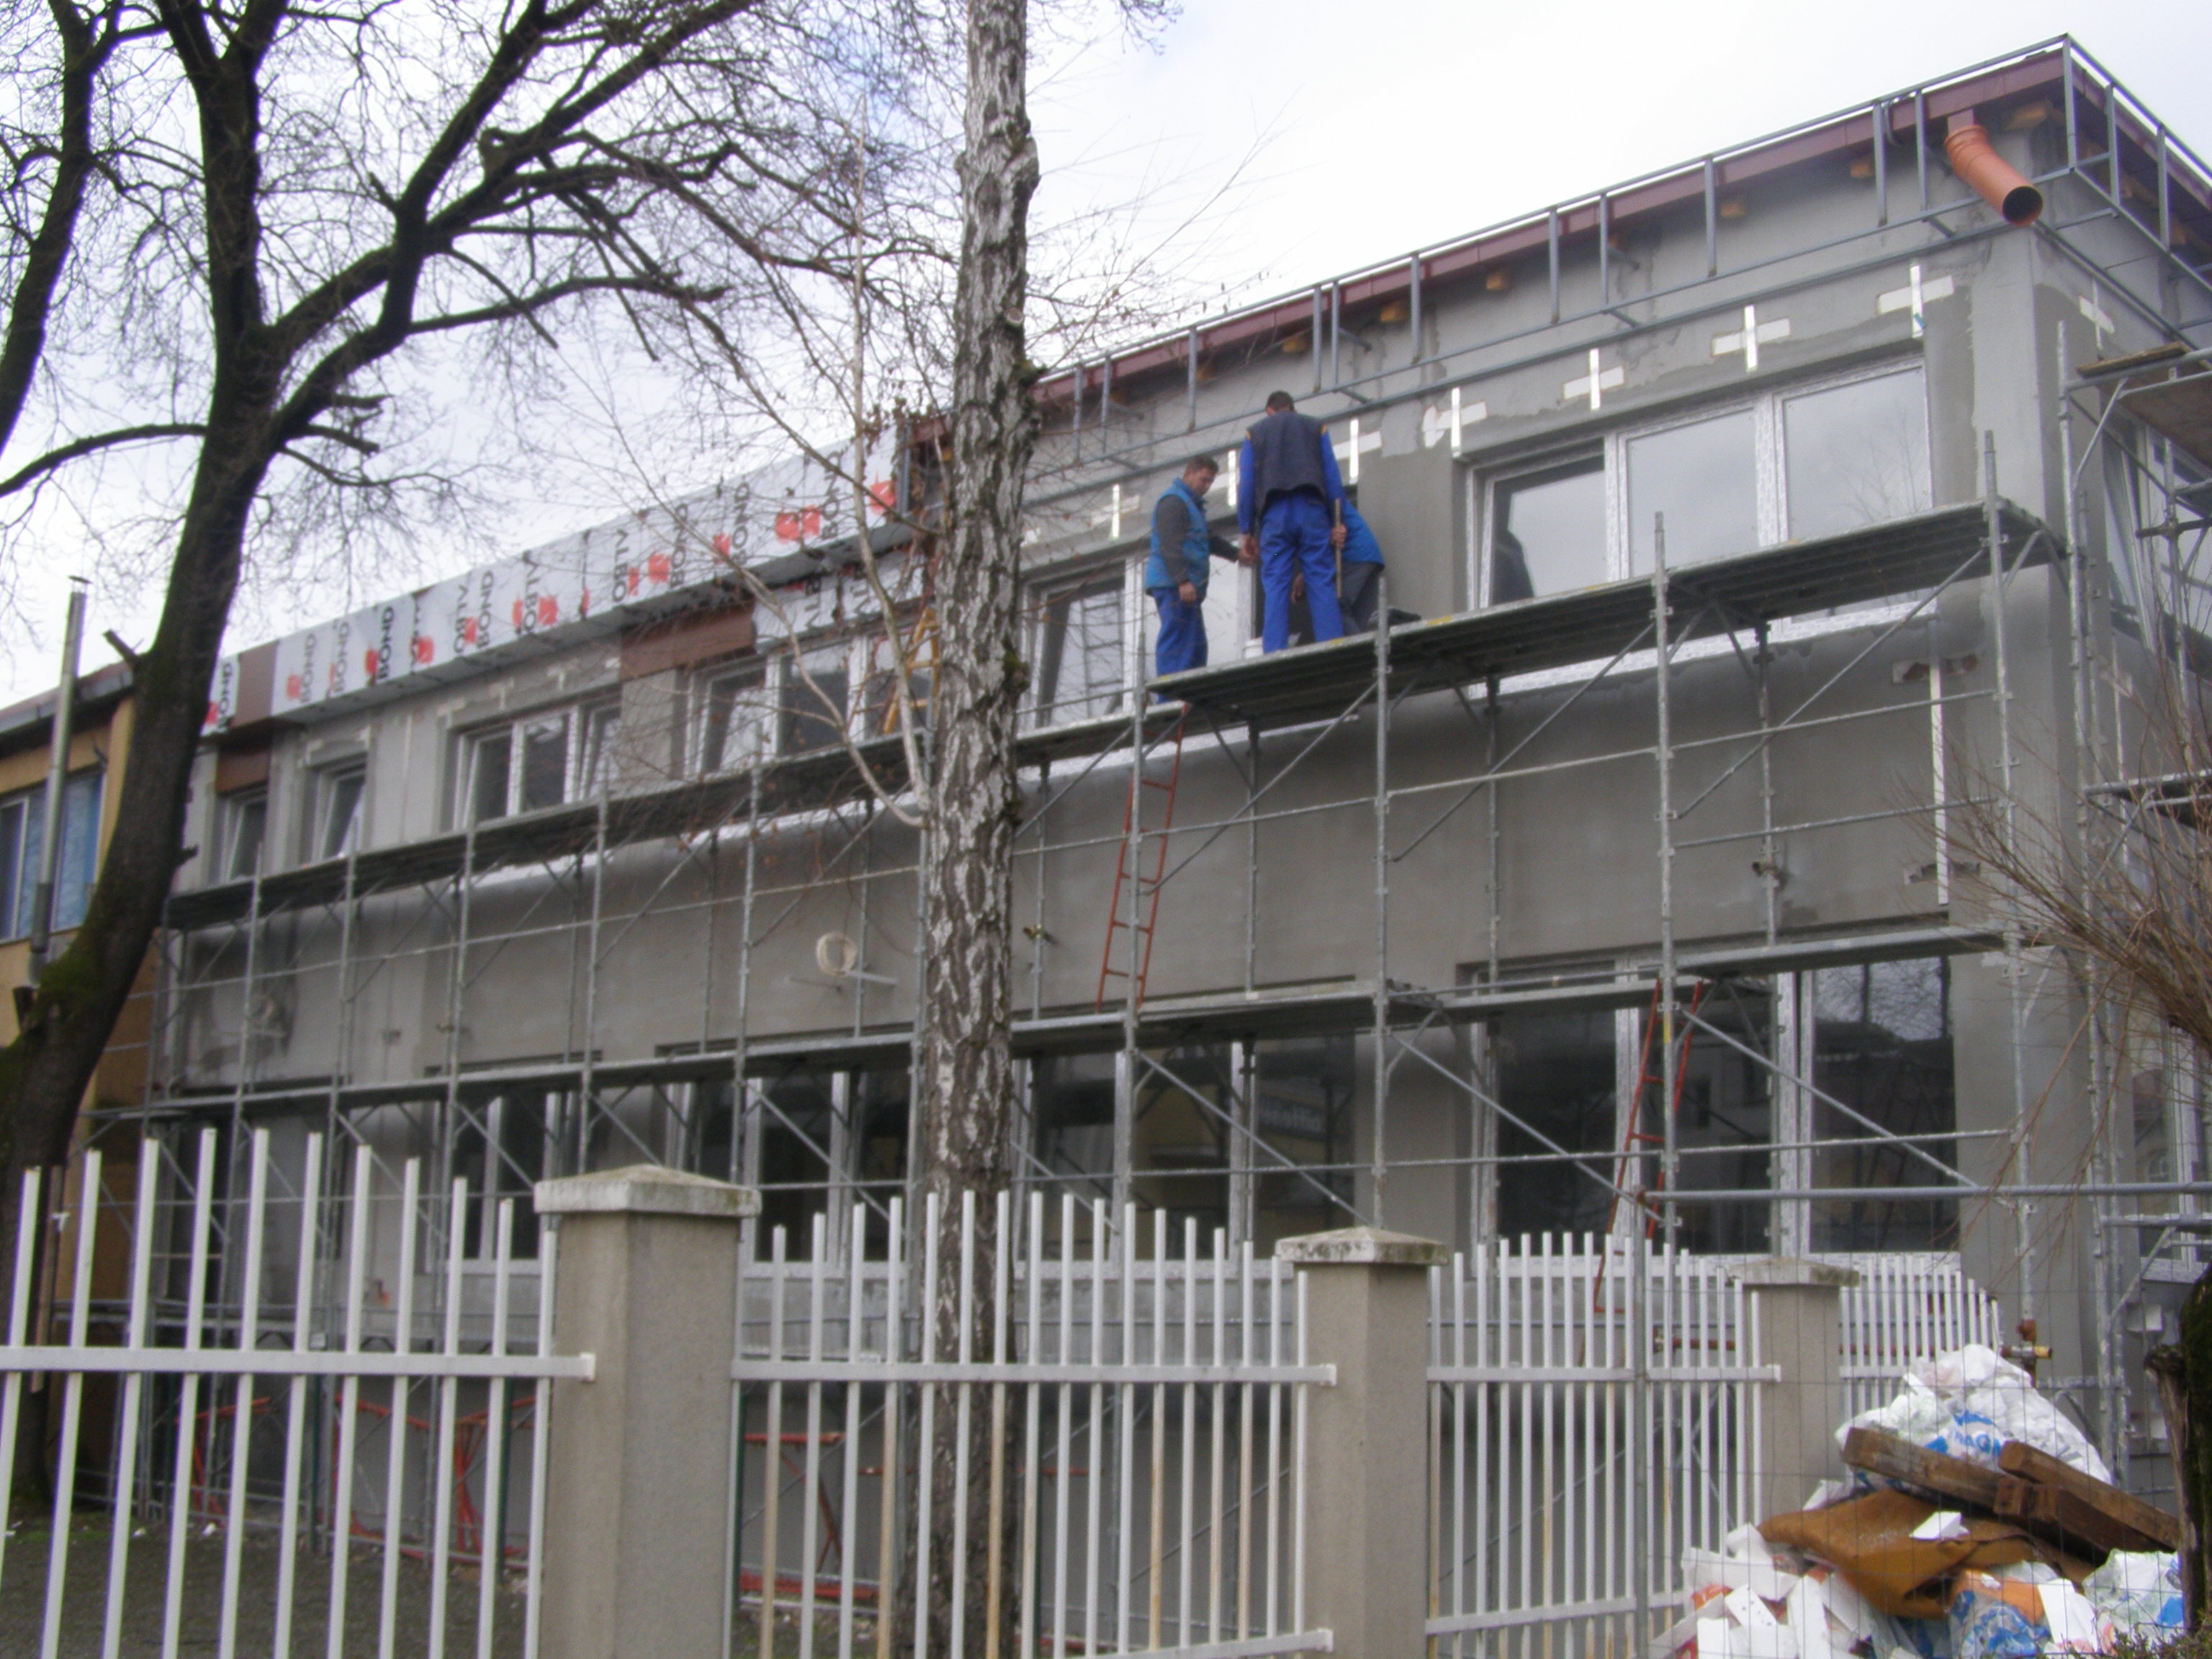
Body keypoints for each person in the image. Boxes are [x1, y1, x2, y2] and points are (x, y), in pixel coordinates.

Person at [1238, 391, 1346, 652]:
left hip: (1275, 526)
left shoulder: (1255, 433)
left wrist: (1247, 530)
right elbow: (1332, 477)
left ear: (1269, 411)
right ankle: (1332, 646)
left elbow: (1247, 487)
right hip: (1311, 516)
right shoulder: (1315, 427)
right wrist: (1338, 521)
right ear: (1293, 408)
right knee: (1320, 576)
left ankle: (1274, 651)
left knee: (1276, 580)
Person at [1144, 454, 1247, 684]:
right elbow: (1169, 544)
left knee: (1194, 645)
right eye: (1204, 480)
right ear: (1189, 474)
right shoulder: (1173, 502)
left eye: (1211, 482)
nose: (1207, 487)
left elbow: (1205, 538)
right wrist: (1183, 580)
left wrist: (1236, 554)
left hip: (1182, 585)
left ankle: (1187, 694)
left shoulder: (1190, 505)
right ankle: (1170, 696)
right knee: (1179, 640)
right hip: (1173, 584)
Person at [1292, 496, 1387, 636]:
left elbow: (1318, 542)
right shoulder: (1323, 492)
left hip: (1354, 555)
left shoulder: (1307, 501)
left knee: (1335, 609)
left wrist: (1304, 576)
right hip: (1369, 555)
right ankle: (1363, 654)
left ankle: (1360, 652)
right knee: (1357, 621)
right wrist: (1304, 575)